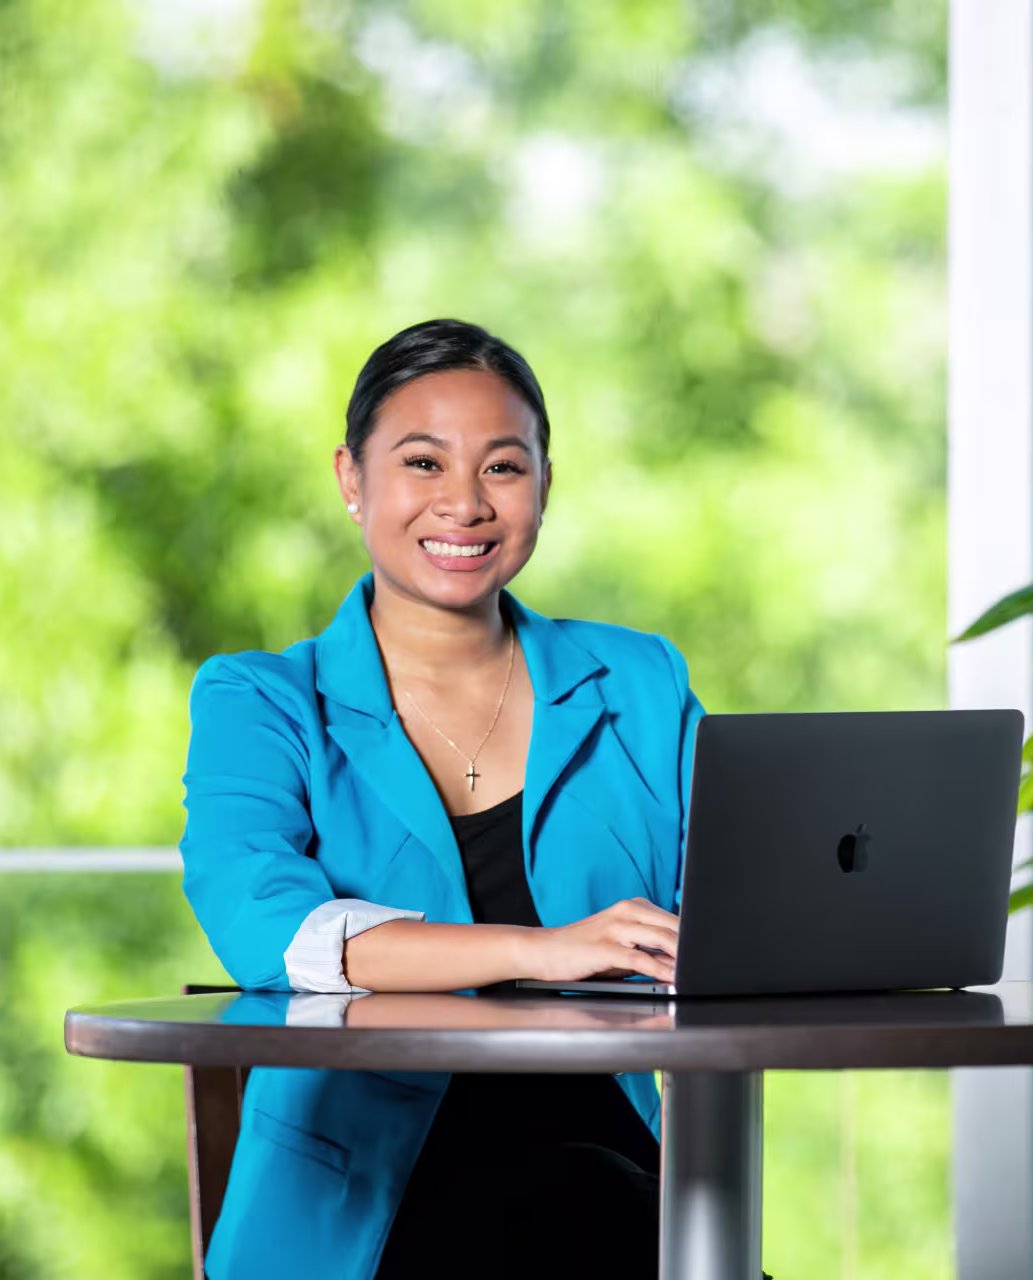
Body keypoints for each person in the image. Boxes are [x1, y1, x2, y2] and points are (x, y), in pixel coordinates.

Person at [178, 319, 701, 1280]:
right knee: (575, 1206)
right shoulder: (259, 700)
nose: (463, 503)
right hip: (372, 1217)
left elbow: (731, 901)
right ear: (351, 478)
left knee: (593, 1199)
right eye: (423, 462)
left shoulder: (640, 681)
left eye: (503, 468)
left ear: (547, 483)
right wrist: (544, 951)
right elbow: (276, 932)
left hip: (625, 1181)